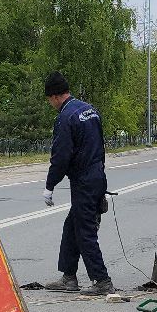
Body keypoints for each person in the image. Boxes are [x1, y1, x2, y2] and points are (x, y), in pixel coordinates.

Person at [41, 71, 112, 295]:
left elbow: (61, 156)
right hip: (96, 175)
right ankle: (69, 277)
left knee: (85, 231)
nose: (51, 104)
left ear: (54, 96)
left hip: (83, 180)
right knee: (71, 226)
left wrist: (50, 185)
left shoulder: (66, 117)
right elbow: (100, 146)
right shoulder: (90, 110)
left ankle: (102, 280)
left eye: (49, 100)